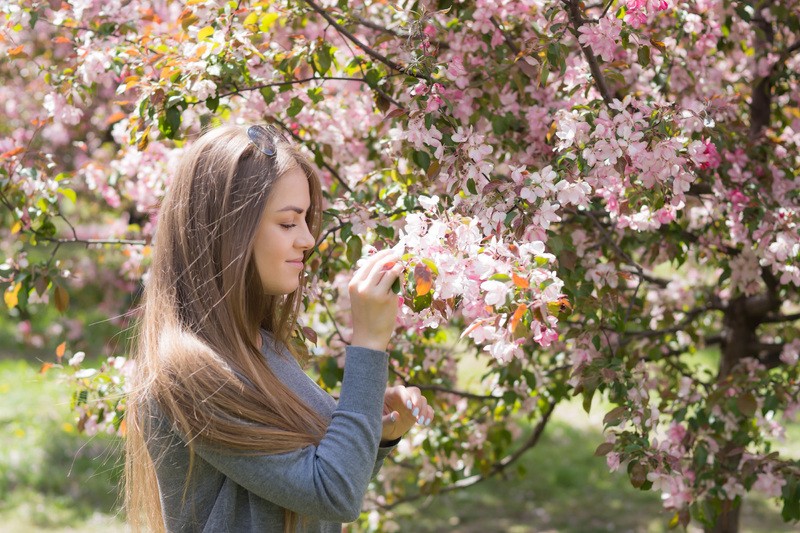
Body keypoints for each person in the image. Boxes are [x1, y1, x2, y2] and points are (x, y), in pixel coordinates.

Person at [124, 124, 434, 532]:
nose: (307, 238)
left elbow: (309, 496)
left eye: (306, 220)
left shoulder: (260, 347)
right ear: (227, 234)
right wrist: (369, 343)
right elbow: (332, 493)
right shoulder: (192, 371)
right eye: (288, 223)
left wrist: (375, 436)